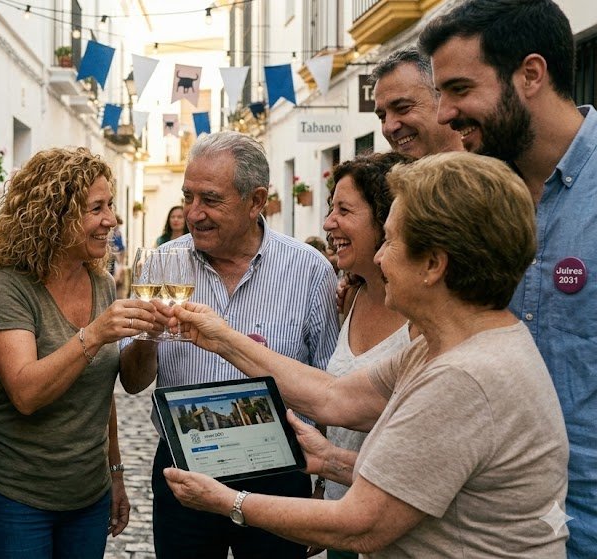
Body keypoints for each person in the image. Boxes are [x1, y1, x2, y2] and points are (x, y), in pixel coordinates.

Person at [166, 152, 569, 557]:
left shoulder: (463, 376)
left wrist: (227, 501)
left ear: (433, 264)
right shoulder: (446, 344)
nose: (378, 256)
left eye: (392, 240)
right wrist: (220, 339)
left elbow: (360, 526)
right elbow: (334, 397)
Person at [420, 1, 596, 554]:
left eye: (458, 89)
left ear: (531, 75)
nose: (444, 114)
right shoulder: (481, 199)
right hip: (486, 528)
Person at [119, 131, 339, 559]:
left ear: (256, 201)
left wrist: (325, 487)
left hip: (276, 469)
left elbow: (331, 385)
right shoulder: (164, 263)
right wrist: (146, 336)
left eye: (210, 199)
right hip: (186, 465)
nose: (193, 213)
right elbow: (131, 381)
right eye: (188, 197)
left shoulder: (308, 269)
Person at [0, 147, 157, 558]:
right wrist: (93, 334)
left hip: (87, 497)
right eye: (97, 208)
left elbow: (120, 386)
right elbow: (26, 393)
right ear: (54, 215)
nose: (111, 219)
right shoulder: (9, 287)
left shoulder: (102, 283)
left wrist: (150, 335)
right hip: (14, 495)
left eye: (110, 205)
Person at [319, 152, 415, 559]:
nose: (328, 223)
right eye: (329, 209)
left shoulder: (420, 315)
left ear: (386, 221)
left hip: (392, 526)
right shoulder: (351, 294)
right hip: (340, 509)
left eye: (344, 210)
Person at [371, 47, 463, 159]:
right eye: (382, 117)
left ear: (444, 100)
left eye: (402, 108)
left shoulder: (488, 172)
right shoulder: (385, 176)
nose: (388, 127)